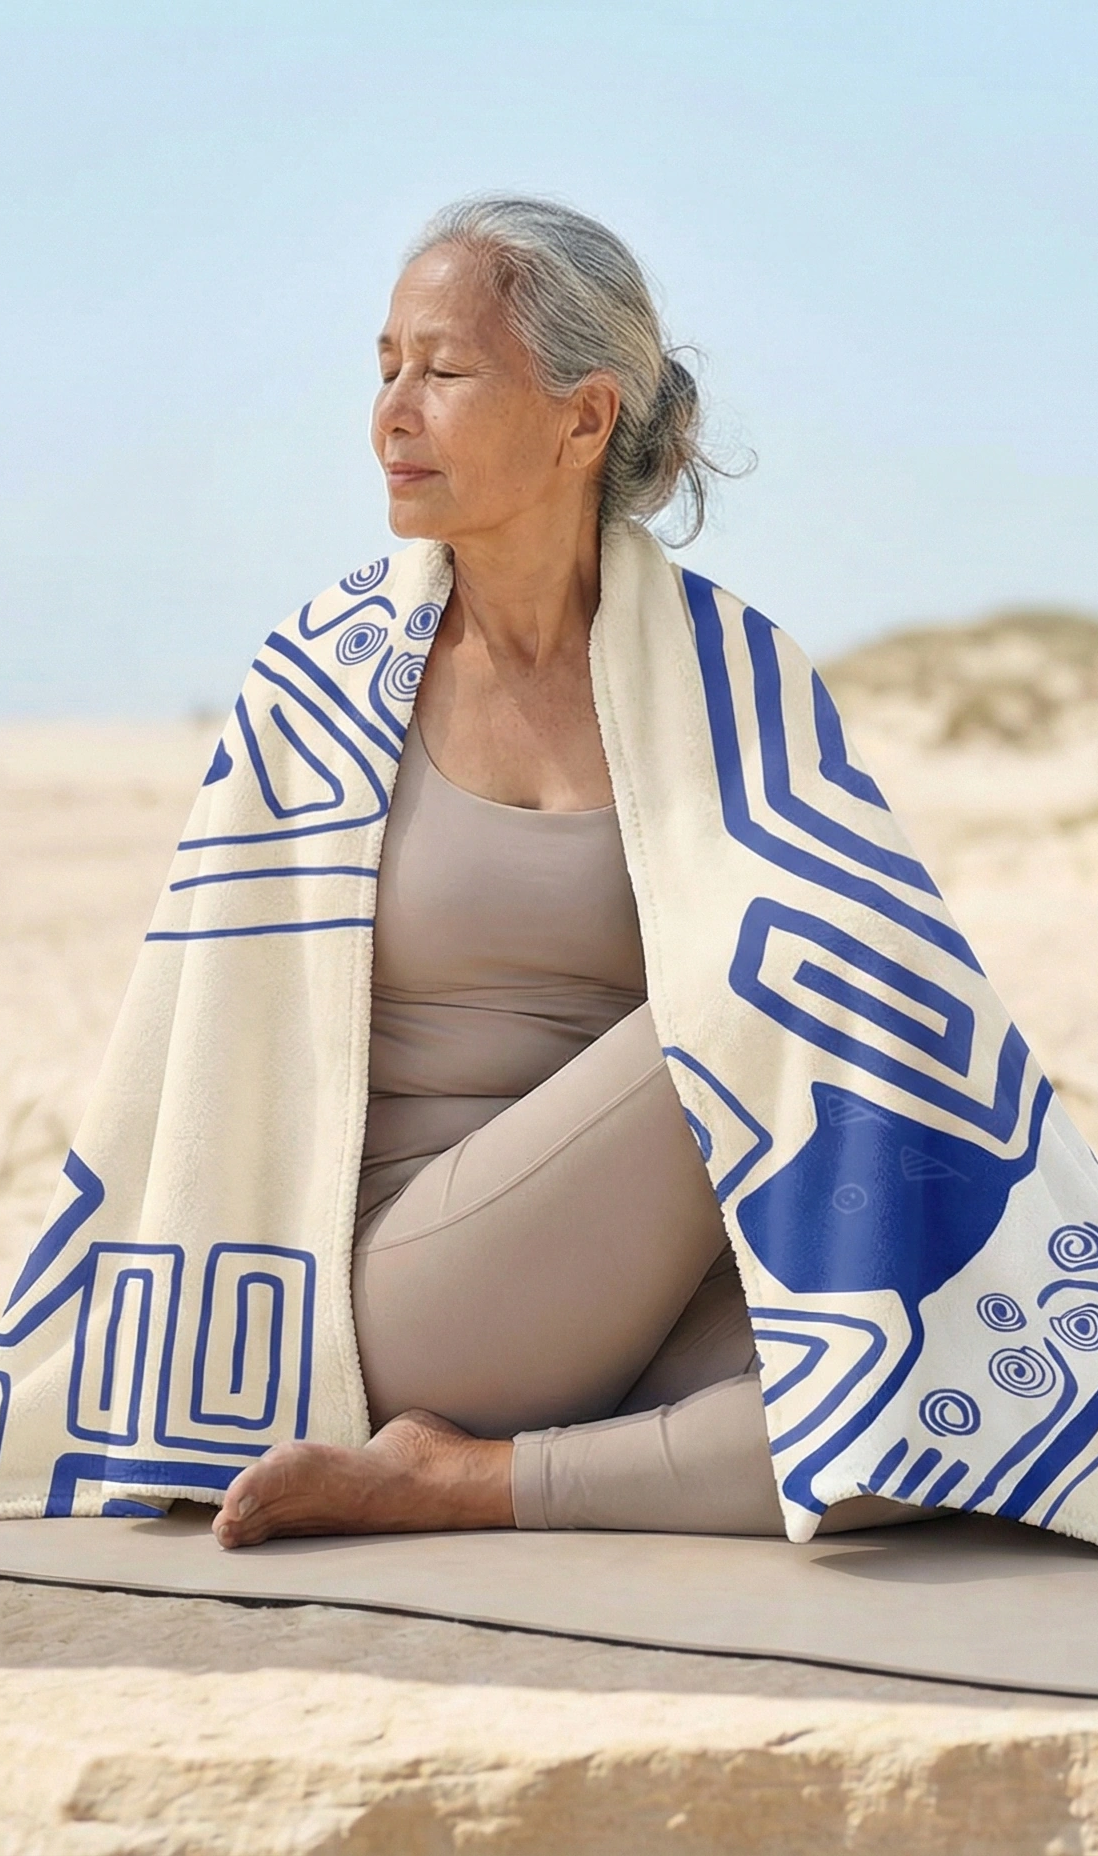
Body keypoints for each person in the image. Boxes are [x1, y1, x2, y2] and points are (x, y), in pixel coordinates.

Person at [213, 197, 902, 1549]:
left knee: (916, 1425)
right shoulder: (329, 681)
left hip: (656, 1270)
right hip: (424, 1286)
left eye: (445, 370)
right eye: (385, 367)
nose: (394, 413)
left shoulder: (733, 679)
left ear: (585, 420)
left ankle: (466, 1482)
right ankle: (486, 1442)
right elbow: (204, 1057)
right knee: (783, 982)